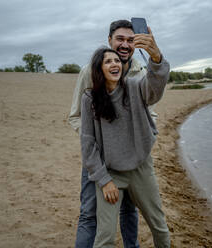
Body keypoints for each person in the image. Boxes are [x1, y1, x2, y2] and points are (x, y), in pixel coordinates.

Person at [69, 20, 158, 248]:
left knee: (129, 211)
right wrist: (102, 141)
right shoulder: (90, 70)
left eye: (130, 40)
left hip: (132, 158)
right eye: (120, 39)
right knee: (89, 213)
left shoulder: (139, 67)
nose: (125, 44)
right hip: (99, 158)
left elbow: (150, 111)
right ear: (109, 40)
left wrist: (145, 138)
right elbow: (76, 115)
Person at [81, 43, 170, 247]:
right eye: (108, 61)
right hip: (111, 174)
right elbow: (88, 144)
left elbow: (155, 88)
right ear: (98, 69)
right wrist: (104, 180)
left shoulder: (135, 86)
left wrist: (156, 59)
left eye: (117, 61)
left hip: (141, 169)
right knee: (105, 237)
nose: (115, 64)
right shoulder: (89, 99)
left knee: (159, 226)